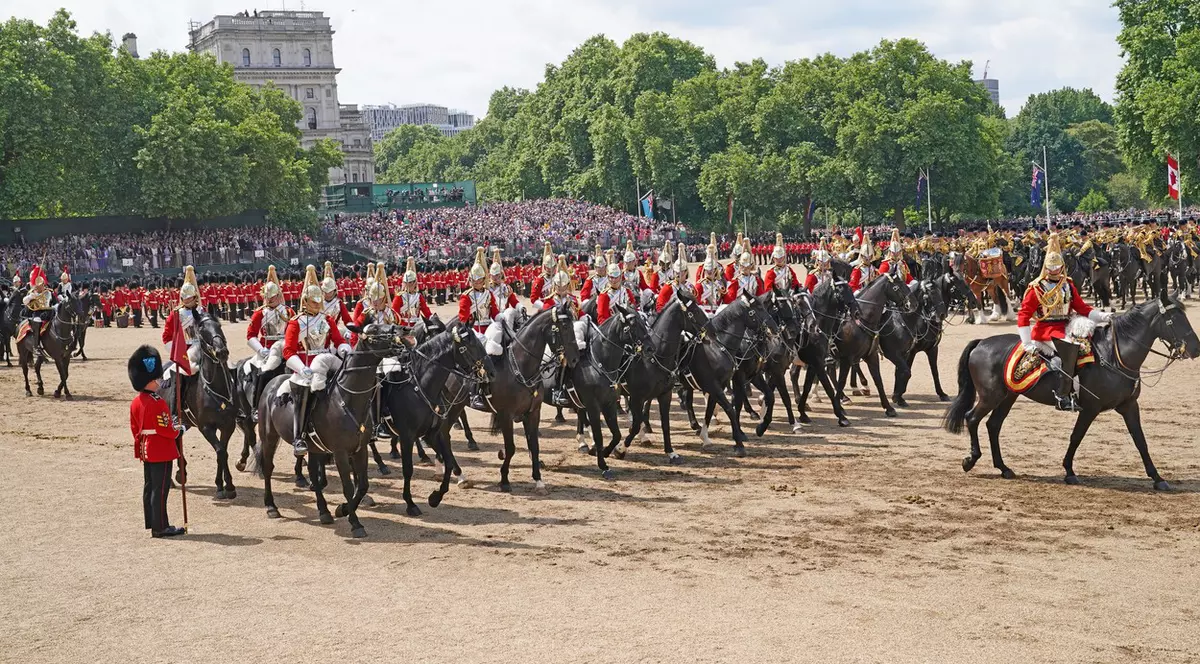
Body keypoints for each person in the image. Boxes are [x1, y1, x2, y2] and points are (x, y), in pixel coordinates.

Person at [1016, 232, 1112, 412]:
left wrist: (1102, 316)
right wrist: (1027, 343)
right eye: (1051, 268)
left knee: (1090, 346)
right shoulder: (1036, 287)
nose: (1054, 271)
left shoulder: (1067, 284)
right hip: (1045, 331)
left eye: (1057, 267)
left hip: (1066, 326)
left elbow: (1082, 308)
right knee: (1070, 350)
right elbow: (1023, 315)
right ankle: (1062, 395)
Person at [282, 265, 352, 457]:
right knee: (303, 394)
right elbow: (288, 350)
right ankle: (299, 436)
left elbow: (337, 340)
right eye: (313, 302)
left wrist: (345, 349)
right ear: (305, 301)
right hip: (305, 366)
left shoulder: (327, 319)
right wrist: (301, 367)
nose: (317, 305)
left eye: (318, 301)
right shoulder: (296, 322)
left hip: (327, 362)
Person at [127, 345, 185, 539]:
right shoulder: (157, 401)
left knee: (150, 487)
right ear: (149, 381)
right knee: (160, 490)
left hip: (146, 447)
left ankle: (153, 522)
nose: (160, 381)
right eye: (156, 379)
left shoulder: (137, 401)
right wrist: (179, 431)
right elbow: (165, 429)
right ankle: (161, 527)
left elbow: (135, 428)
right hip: (161, 449)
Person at [245, 266, 293, 421]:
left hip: (286, 347)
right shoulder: (260, 313)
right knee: (263, 371)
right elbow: (250, 335)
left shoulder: (288, 312)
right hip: (266, 350)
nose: (270, 300)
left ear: (279, 295)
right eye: (268, 297)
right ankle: (255, 407)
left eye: (273, 297)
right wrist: (260, 350)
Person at [162, 266, 204, 376]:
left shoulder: (201, 311)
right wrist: (178, 353)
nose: (187, 301)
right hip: (183, 352)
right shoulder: (176, 314)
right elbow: (167, 337)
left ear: (195, 297)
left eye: (189, 298)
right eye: (185, 298)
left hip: (202, 348)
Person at [459, 247, 500, 342]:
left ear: (484, 279)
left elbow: (494, 311)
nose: (477, 282)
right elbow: (463, 319)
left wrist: (500, 318)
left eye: (479, 279)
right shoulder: (466, 296)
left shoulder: (488, 294)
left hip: (490, 327)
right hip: (474, 329)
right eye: (474, 280)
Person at [19, 266, 55, 357]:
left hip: (49, 312)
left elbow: (51, 302)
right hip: (38, 312)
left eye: (41, 286)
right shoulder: (32, 293)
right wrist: (31, 296)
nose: (40, 288)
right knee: (37, 321)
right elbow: (24, 301)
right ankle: (36, 346)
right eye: (38, 286)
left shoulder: (48, 292)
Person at [392, 257, 433, 328]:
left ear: (414, 283)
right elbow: (395, 313)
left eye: (410, 282)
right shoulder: (399, 297)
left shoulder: (418, 296)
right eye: (407, 282)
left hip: (416, 325)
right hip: (402, 326)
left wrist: (432, 318)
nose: (408, 285)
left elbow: (426, 311)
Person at [354, 264, 399, 328]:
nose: (375, 302)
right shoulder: (366, 313)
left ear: (383, 298)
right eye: (373, 298)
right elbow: (356, 327)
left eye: (379, 299)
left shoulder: (391, 313)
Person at [655, 243, 693, 312]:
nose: (678, 275)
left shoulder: (690, 287)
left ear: (686, 272)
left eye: (681, 272)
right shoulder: (668, 287)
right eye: (676, 272)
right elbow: (660, 307)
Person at [696, 245, 731, 316]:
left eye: (711, 271)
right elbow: (696, 301)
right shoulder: (700, 284)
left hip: (718, 313)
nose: (709, 272)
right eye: (707, 271)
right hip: (704, 313)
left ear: (715, 270)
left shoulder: (720, 284)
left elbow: (726, 300)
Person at [319, 261, 353, 336]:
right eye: (325, 292)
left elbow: (347, 320)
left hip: (334, 332)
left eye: (330, 292)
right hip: (319, 333)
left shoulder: (339, 303)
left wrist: (350, 331)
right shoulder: (318, 303)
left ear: (334, 291)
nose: (327, 294)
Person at [488, 248, 520, 312]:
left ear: (501, 275)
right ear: (490, 276)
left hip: (505, 315)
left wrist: (520, 307)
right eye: (494, 275)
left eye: (497, 275)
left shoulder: (507, 288)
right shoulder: (487, 289)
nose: (496, 278)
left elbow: (513, 301)